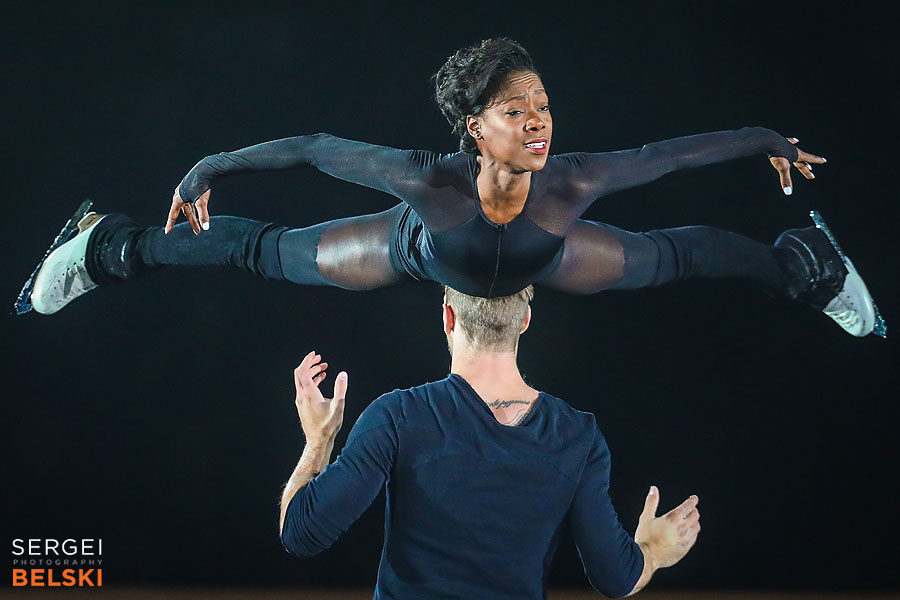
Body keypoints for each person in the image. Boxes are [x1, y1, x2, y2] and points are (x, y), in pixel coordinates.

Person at [22, 38, 884, 337]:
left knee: (684, 253)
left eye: (543, 104)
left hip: (541, 258)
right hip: (423, 254)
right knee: (256, 250)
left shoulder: (573, 179)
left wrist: (767, 138)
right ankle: (103, 245)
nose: (540, 122)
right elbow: (316, 147)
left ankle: (807, 264)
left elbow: (677, 153)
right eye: (517, 111)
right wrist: (208, 165)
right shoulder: (429, 186)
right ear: (476, 127)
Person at [280, 286, 700, 598]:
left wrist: (319, 440)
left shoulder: (399, 415)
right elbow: (617, 577)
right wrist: (654, 549)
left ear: (448, 317)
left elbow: (300, 533)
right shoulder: (577, 435)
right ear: (524, 321)